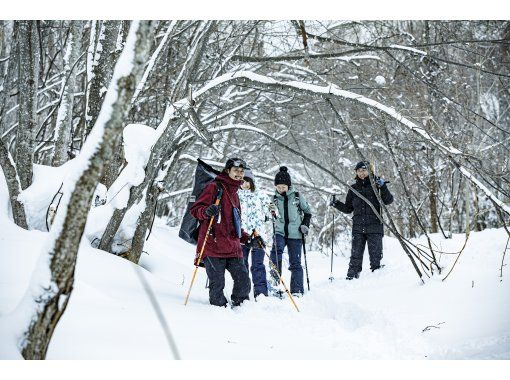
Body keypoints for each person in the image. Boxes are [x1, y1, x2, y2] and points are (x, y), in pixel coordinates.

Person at [190, 158, 262, 307]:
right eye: (236, 170)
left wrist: (248, 240)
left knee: (243, 281)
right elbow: (195, 210)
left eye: (242, 171)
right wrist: (206, 211)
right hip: (212, 246)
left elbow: (234, 224)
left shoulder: (234, 193)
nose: (239, 174)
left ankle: (241, 309)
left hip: (232, 248)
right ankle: (219, 317)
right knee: (217, 286)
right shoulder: (214, 187)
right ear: (227, 171)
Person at [330, 161, 394, 280]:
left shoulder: (377, 186)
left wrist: (383, 186)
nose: (362, 173)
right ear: (356, 172)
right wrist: (336, 204)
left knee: (375, 256)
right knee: (355, 255)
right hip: (358, 228)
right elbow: (348, 208)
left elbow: (388, 200)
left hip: (375, 226)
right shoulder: (353, 189)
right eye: (359, 171)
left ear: (370, 171)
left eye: (364, 170)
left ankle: (378, 279)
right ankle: (352, 276)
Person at [268, 166, 312, 296]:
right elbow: (269, 215)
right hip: (279, 232)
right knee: (276, 253)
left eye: (283, 187)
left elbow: (307, 212)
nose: (281, 189)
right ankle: (275, 283)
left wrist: (305, 225)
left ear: (288, 186)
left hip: (295, 234)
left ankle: (297, 290)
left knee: (295, 262)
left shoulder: (297, 197)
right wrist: (270, 212)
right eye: (278, 187)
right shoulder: (274, 199)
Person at [238, 169, 270, 299]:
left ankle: (261, 294)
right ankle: (243, 293)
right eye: (242, 182)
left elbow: (271, 211)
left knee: (258, 265)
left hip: (258, 235)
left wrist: (271, 212)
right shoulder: (236, 195)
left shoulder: (260, 195)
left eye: (248, 182)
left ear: (252, 182)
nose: (245, 184)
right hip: (242, 235)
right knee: (242, 265)